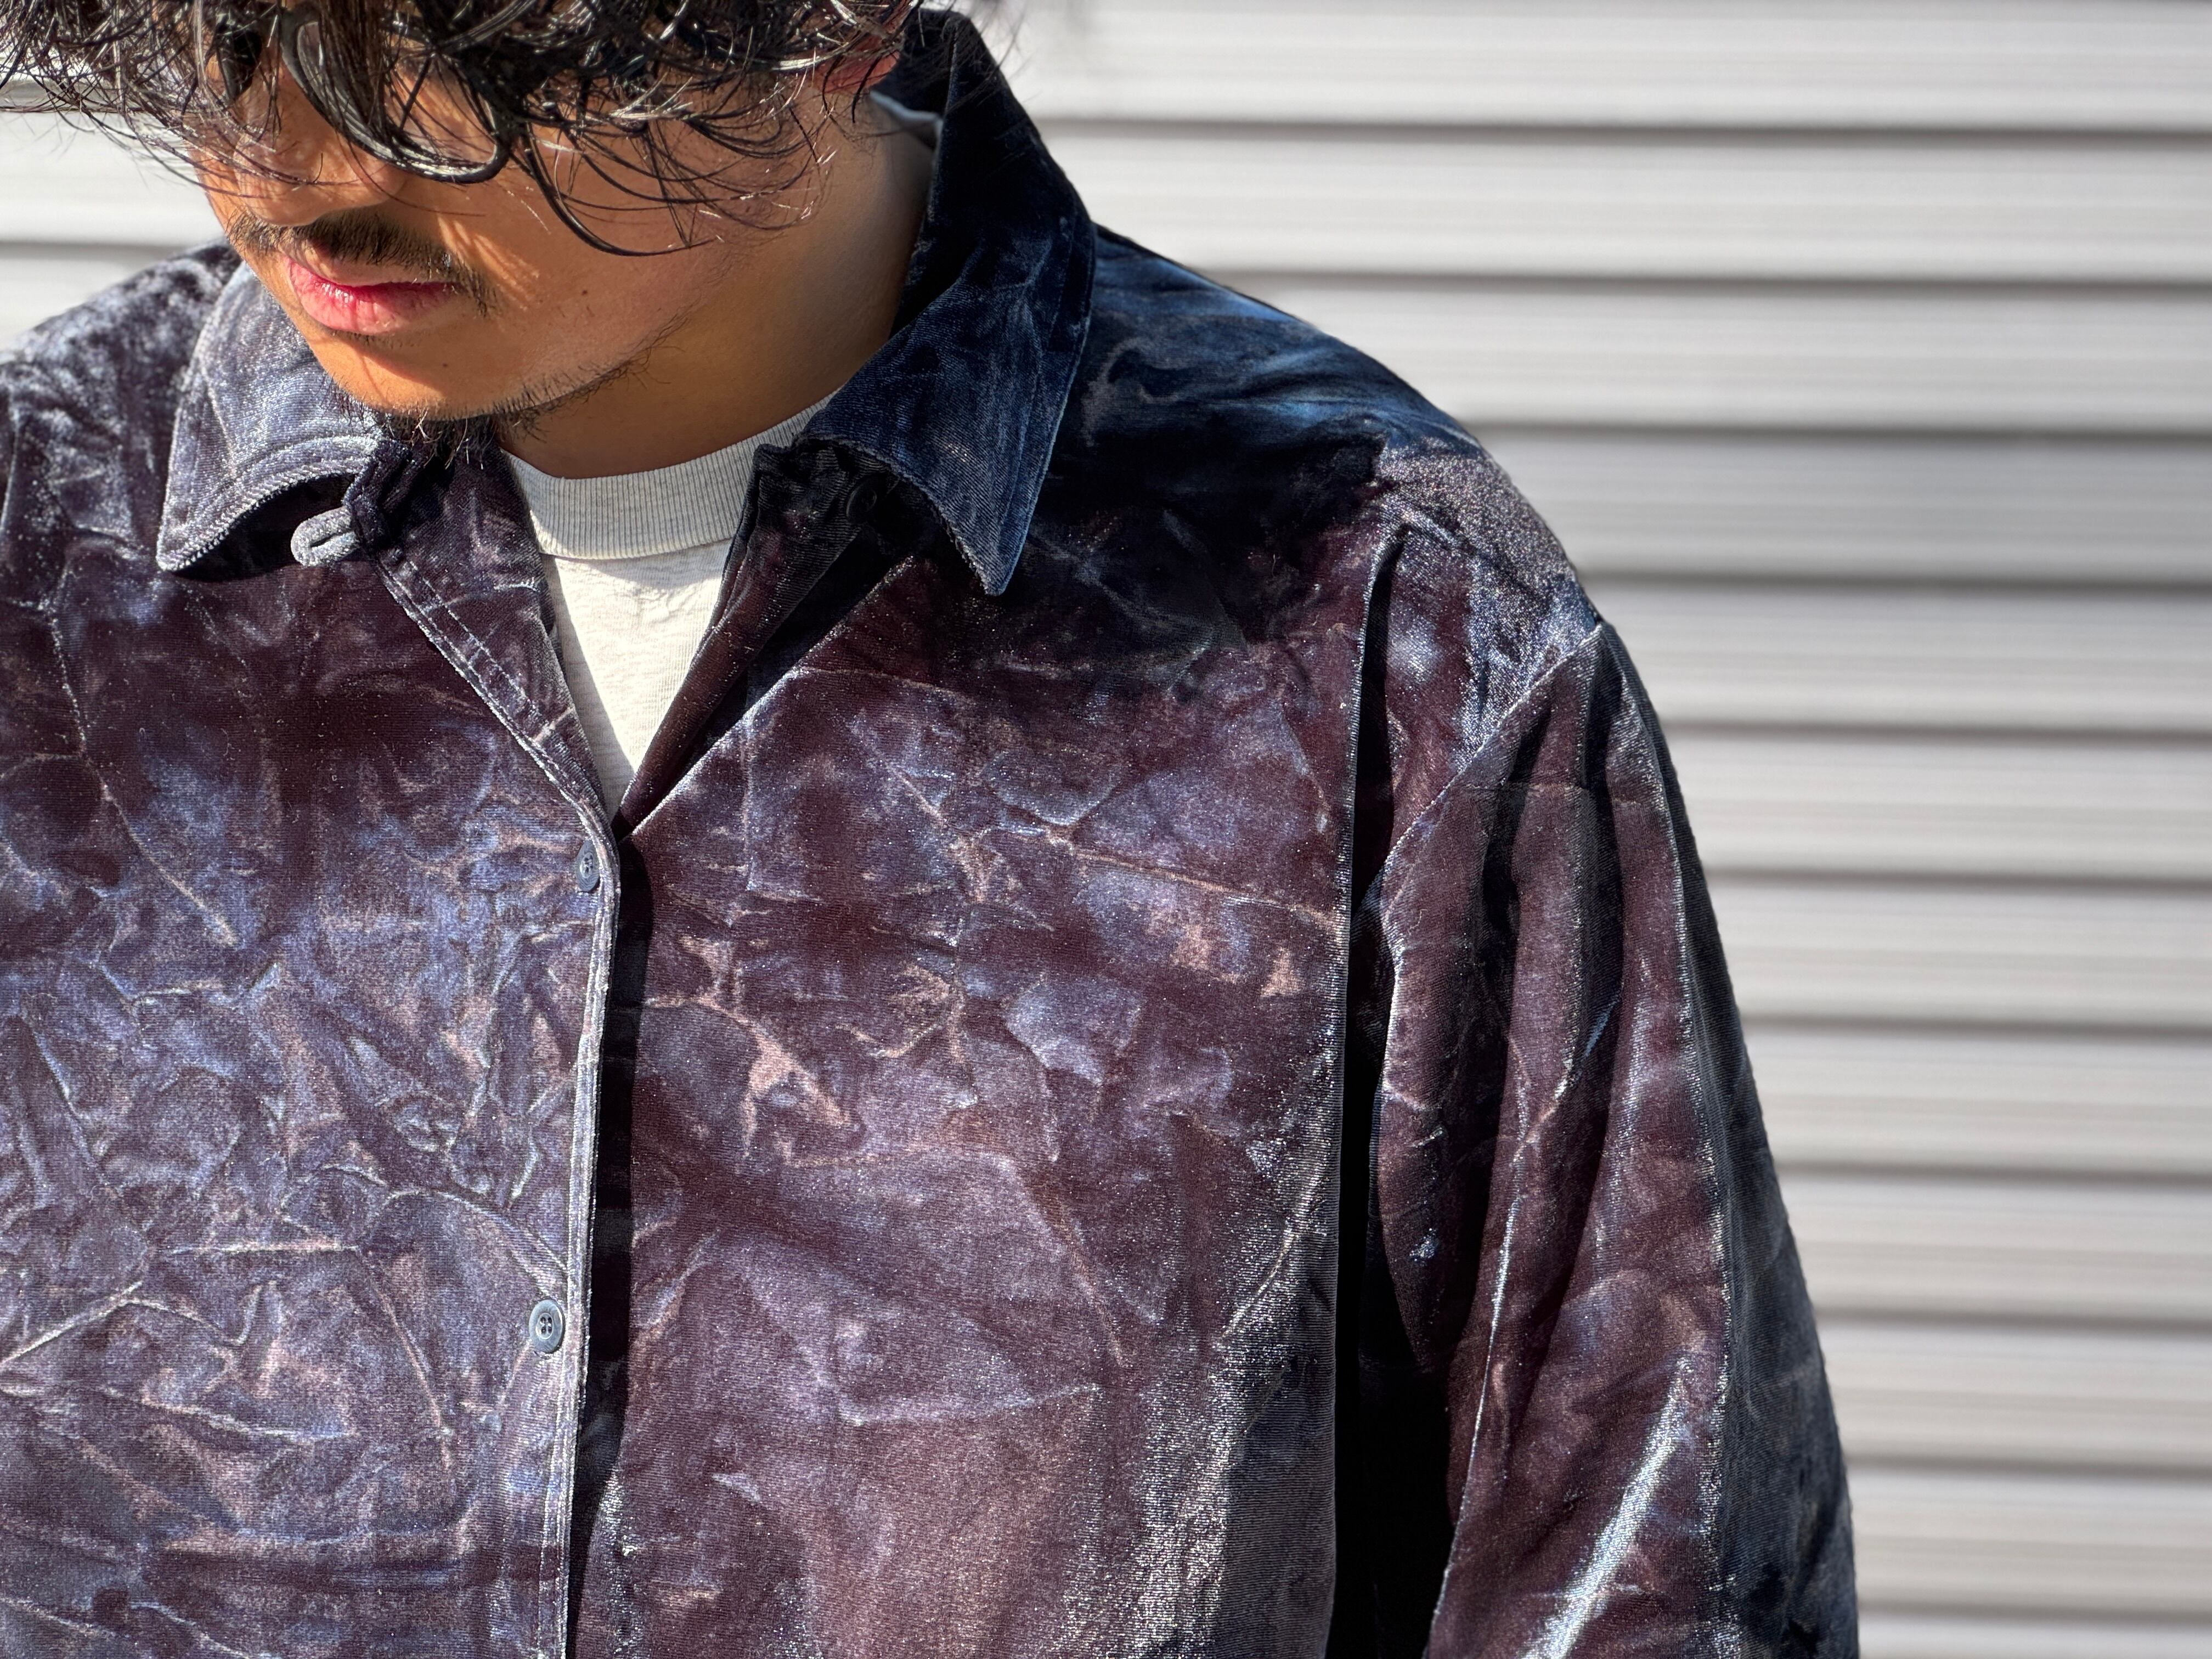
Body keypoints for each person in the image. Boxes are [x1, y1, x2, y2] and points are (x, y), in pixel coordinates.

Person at [0, 3, 1853, 1655]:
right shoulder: (36, 547)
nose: (302, 166)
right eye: (228, 29)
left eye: (461, 60)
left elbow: (1647, 1564)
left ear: (833, 22)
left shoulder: (1370, 614)